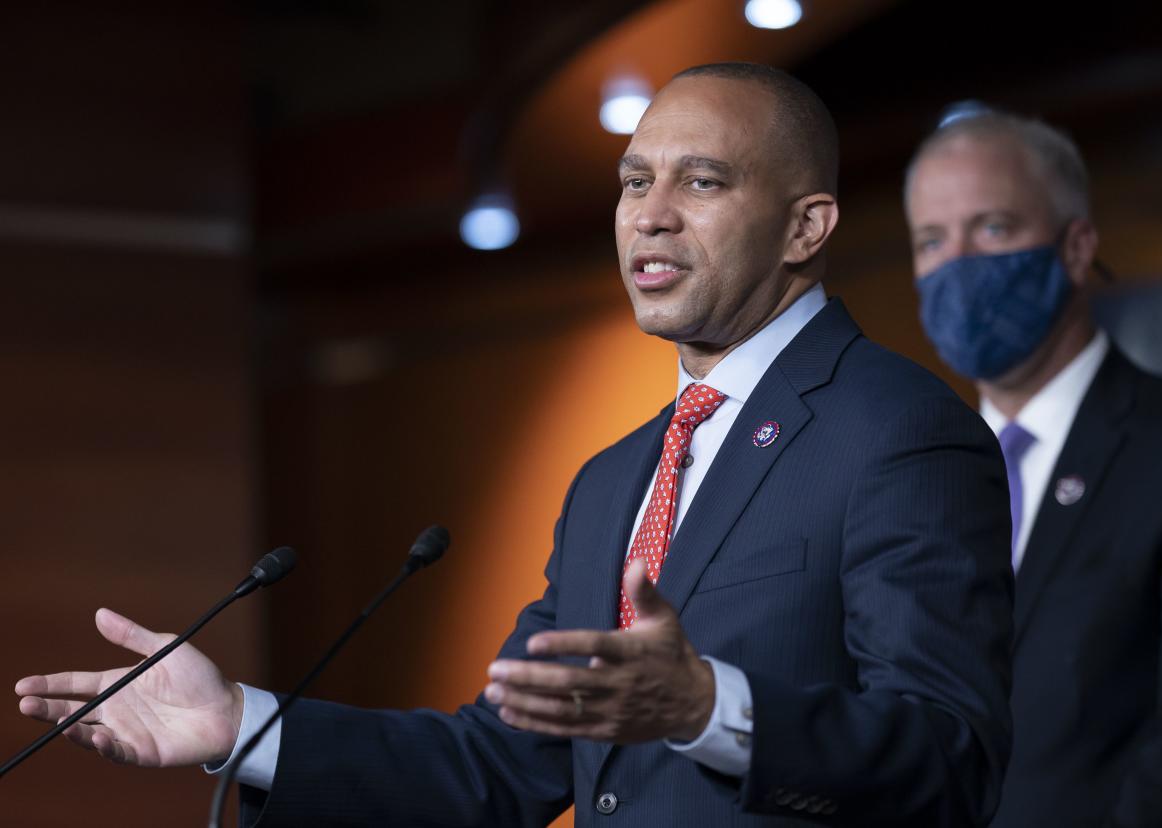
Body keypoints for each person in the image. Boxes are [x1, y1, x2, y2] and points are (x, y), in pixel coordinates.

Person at [16, 64, 1014, 826]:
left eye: (702, 182)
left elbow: (951, 757)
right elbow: (505, 766)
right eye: (633, 182)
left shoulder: (901, 433)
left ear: (807, 226)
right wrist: (244, 725)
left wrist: (713, 708)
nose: (650, 215)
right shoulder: (613, 479)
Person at [904, 109, 1162, 828]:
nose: (960, 264)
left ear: (1078, 247)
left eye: (992, 228)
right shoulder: (912, 481)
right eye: (932, 241)